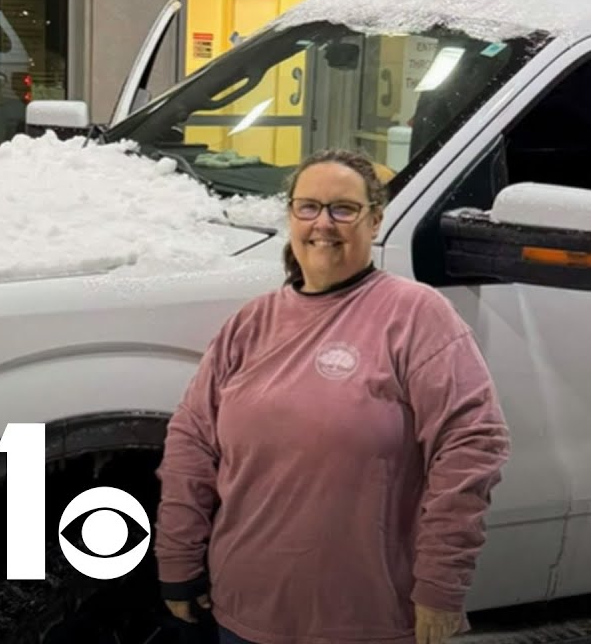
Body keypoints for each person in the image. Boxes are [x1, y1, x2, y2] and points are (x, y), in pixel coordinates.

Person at [154, 149, 511, 644]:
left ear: (375, 219)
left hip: (368, 616)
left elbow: (472, 444)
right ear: (291, 217)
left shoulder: (415, 315)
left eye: (344, 208)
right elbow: (191, 445)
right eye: (309, 207)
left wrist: (440, 586)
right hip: (244, 610)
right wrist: (178, 560)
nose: (324, 223)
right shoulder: (251, 324)